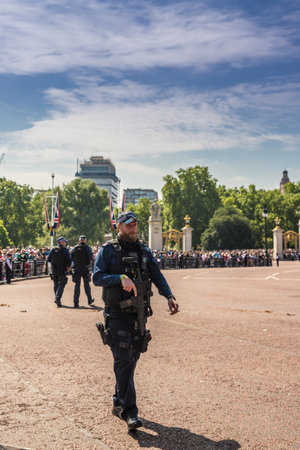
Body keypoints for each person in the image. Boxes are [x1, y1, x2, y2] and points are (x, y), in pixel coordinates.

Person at [93, 211, 179, 431]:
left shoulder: (143, 250)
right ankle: (130, 412)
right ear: (119, 226)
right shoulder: (108, 250)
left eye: (135, 226)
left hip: (139, 314)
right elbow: (97, 277)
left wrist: (169, 295)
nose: (133, 229)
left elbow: (156, 274)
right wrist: (120, 278)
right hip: (116, 314)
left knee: (131, 360)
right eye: (129, 226)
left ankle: (117, 399)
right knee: (123, 359)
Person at [47, 237, 71, 307]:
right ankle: (57, 298)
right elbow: (68, 260)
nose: (65, 243)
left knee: (55, 284)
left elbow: (49, 260)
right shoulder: (64, 250)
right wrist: (68, 267)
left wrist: (50, 270)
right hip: (62, 269)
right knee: (62, 283)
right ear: (61, 242)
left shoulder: (53, 249)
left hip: (54, 269)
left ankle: (57, 298)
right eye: (64, 241)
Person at [71, 235, 94, 308]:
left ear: (79, 240)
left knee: (77, 285)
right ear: (85, 240)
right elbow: (90, 258)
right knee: (86, 284)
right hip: (85, 268)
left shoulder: (74, 248)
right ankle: (89, 299)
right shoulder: (87, 248)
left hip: (77, 268)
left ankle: (75, 302)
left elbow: (71, 258)